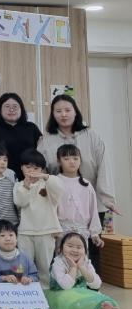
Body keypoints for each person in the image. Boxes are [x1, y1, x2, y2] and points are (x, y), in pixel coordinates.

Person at [37, 94, 117, 270]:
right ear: (53, 114)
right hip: (61, 205)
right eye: (58, 111)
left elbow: (104, 166)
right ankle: (62, 281)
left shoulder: (91, 135)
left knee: (91, 247)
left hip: (90, 201)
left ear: (76, 112)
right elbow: (41, 169)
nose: (63, 114)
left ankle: (91, 282)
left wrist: (107, 198)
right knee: (60, 249)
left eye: (67, 110)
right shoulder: (46, 139)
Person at [46, 232, 125, 309]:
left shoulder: (86, 262)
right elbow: (66, 286)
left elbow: (96, 284)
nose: (74, 250)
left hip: (81, 293)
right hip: (60, 295)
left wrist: (82, 267)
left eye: (79, 247)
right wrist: (73, 267)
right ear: (61, 249)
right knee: (87, 307)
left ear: (85, 251)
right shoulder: (58, 263)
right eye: (70, 246)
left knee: (98, 303)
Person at [13, 149, 63, 288]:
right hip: (25, 232)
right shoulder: (19, 185)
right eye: (28, 167)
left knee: (45, 266)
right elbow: (20, 202)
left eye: (36, 168)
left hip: (46, 231)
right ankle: (25, 291)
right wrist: (26, 186)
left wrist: (45, 176)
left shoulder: (48, 183)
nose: (32, 171)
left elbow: (59, 188)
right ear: (21, 167)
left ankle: (45, 291)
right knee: (23, 265)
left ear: (42, 169)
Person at [0, 92, 42, 179]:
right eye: (7, 106)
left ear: (21, 109)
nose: (11, 110)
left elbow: (41, 151)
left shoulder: (31, 127)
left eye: (15, 106)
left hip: (29, 176)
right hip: (1, 177)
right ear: (0, 109)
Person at [55, 144, 103, 248]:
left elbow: (93, 210)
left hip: (82, 232)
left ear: (80, 160)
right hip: (61, 232)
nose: (72, 162)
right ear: (59, 161)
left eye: (75, 158)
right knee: (63, 257)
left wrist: (95, 233)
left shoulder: (86, 185)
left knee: (81, 257)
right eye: (66, 159)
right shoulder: (55, 182)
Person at [0, 220, 39, 284]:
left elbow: (35, 276)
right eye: (2, 235)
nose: (8, 239)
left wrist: (29, 279)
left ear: (16, 238)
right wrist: (3, 278)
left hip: (23, 290)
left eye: (11, 235)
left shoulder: (25, 257)